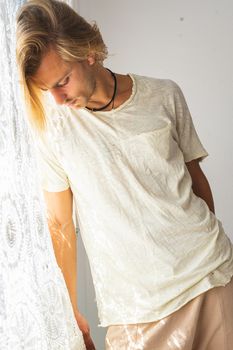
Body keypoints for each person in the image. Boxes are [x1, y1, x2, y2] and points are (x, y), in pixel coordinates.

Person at [16, 0, 233, 349]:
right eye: (47, 90)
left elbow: (197, 183)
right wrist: (70, 308)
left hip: (210, 278)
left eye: (63, 81)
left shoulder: (164, 95)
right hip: (133, 312)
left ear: (88, 52)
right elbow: (59, 224)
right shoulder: (53, 131)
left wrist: (205, 253)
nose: (57, 99)